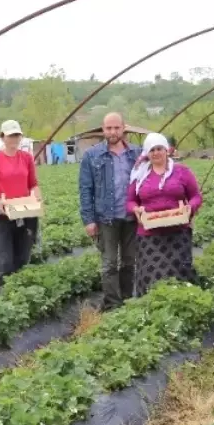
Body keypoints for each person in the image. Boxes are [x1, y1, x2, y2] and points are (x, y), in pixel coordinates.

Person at [126, 133, 203, 296]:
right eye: (152, 150)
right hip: (149, 235)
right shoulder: (140, 174)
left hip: (178, 233)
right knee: (150, 277)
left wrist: (190, 207)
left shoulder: (182, 171)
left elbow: (196, 196)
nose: (156, 153)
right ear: (147, 153)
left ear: (166, 150)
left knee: (178, 275)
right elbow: (130, 201)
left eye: (159, 148)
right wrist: (136, 210)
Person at [78, 112, 141, 310]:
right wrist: (88, 220)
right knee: (109, 264)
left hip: (132, 217)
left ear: (124, 128)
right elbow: (85, 189)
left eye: (116, 128)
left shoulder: (137, 154)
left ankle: (127, 299)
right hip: (106, 217)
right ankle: (113, 304)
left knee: (130, 262)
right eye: (108, 128)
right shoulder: (92, 155)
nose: (112, 132)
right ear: (103, 129)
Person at [0, 119, 41, 290]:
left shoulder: (26, 158)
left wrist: (37, 198)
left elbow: (33, 183)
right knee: (4, 262)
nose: (15, 138)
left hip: (24, 213)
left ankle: (20, 295)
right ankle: (4, 296)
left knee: (22, 259)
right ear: (2, 137)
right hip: (2, 215)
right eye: (11, 135)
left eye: (17, 135)